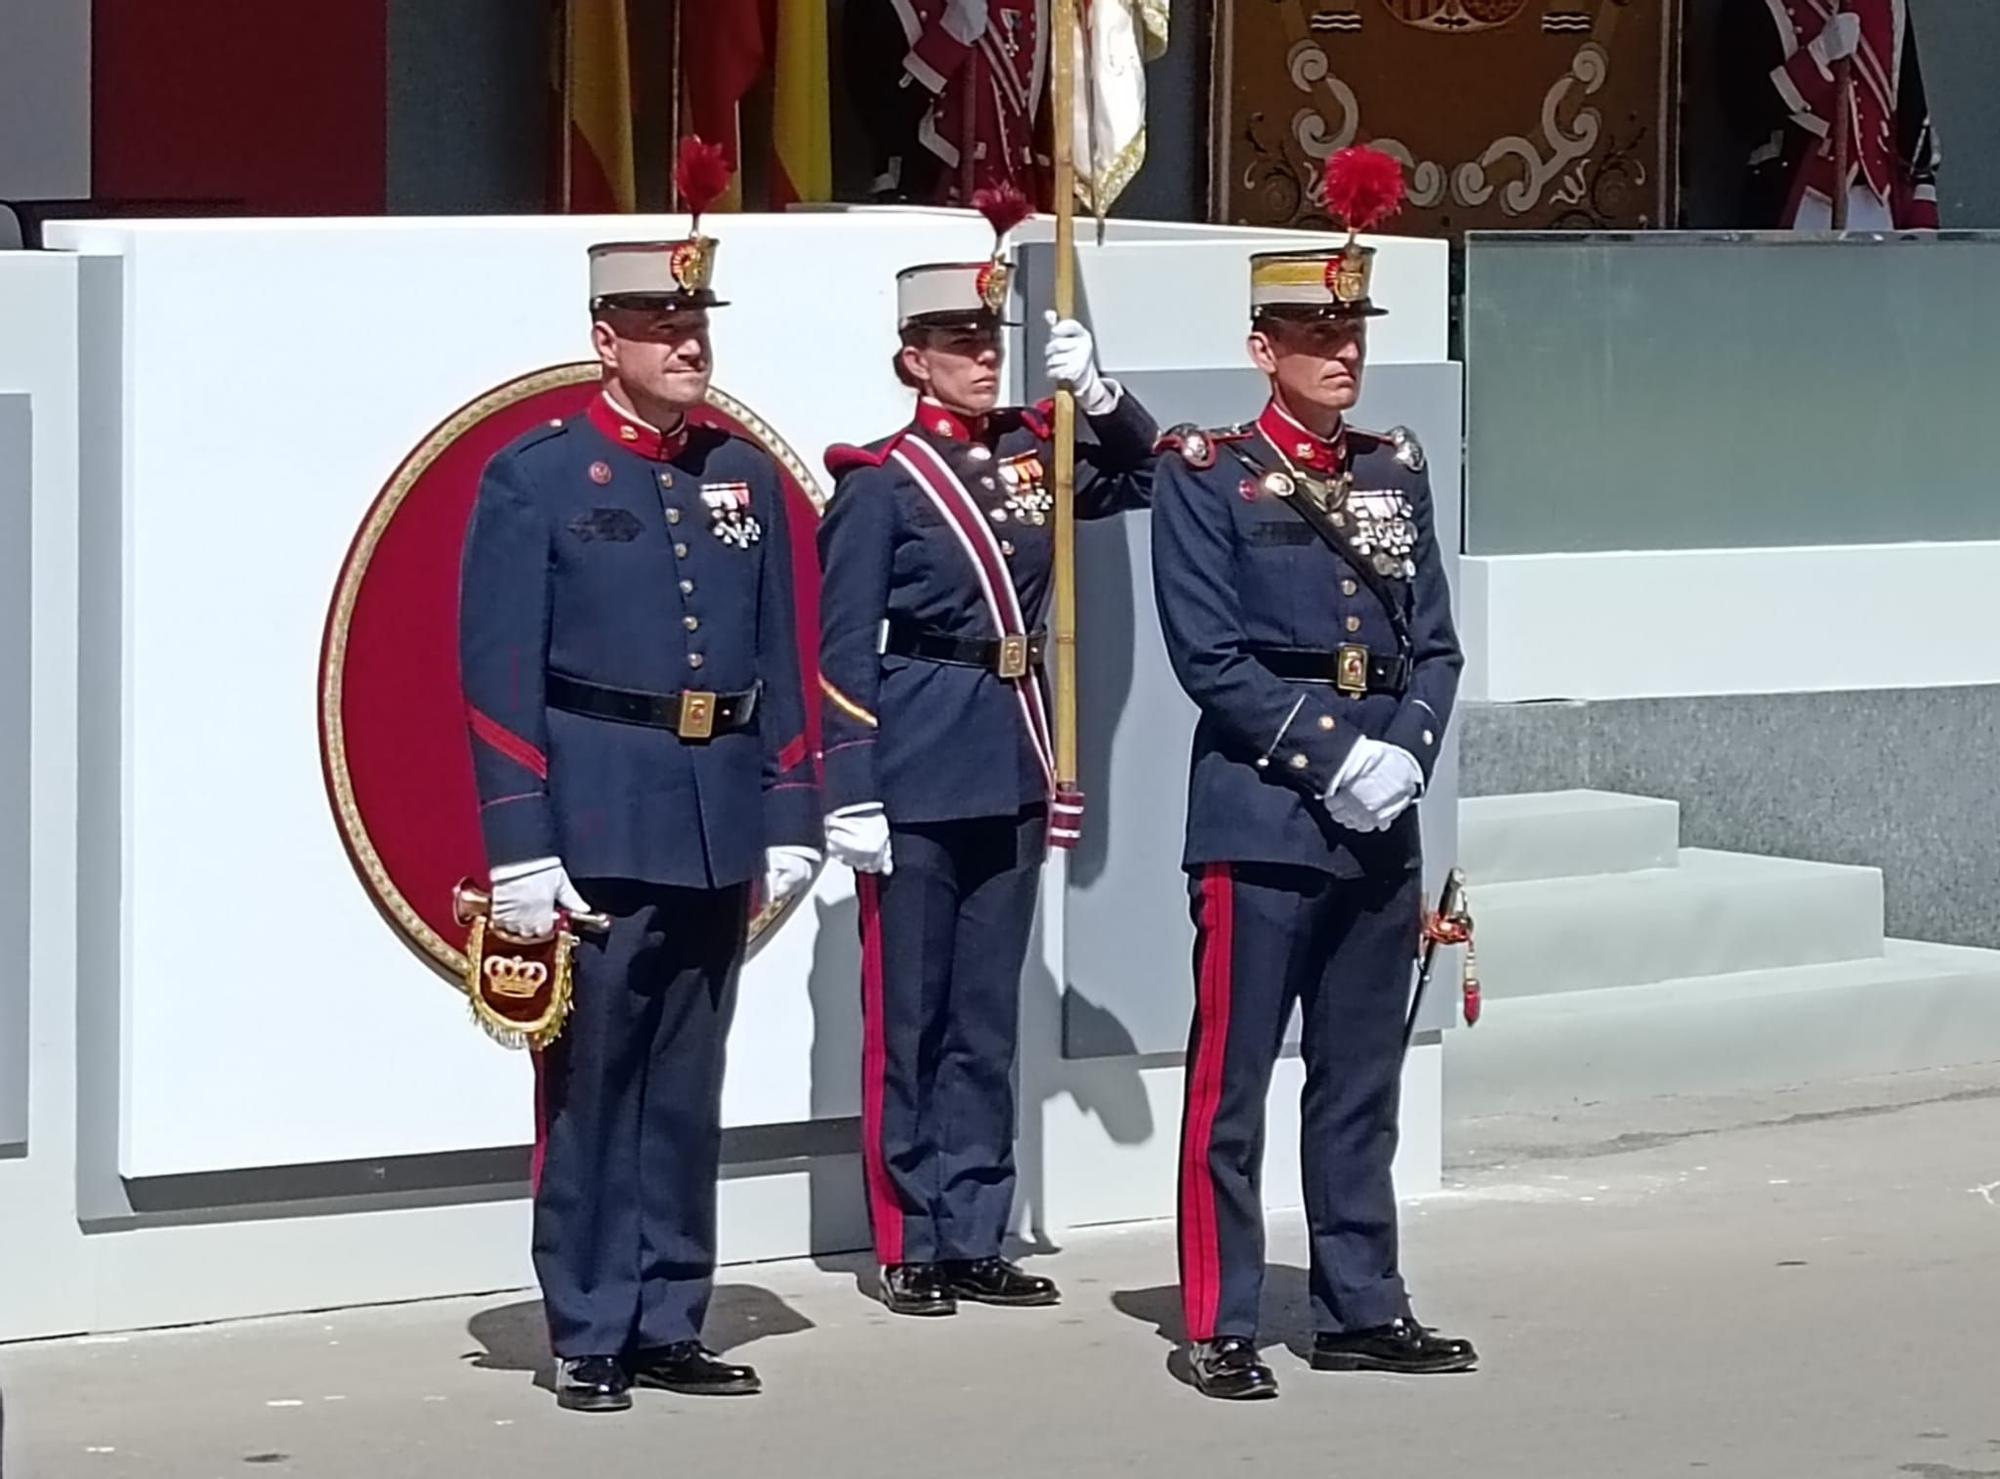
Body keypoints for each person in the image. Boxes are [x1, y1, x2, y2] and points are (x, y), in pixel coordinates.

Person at [458, 174, 819, 1411]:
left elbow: (779, 652)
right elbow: (497, 670)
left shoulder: (744, 475)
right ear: (605, 341)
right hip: (600, 810)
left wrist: (788, 810)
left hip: (716, 810)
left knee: (686, 1078)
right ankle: (589, 1324)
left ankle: (672, 1313)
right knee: (594, 1080)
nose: (688, 345)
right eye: (663, 328)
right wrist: (519, 845)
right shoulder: (540, 475)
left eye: (698, 325)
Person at [1148, 214, 1475, 1399]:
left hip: (1381, 812)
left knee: (1358, 1078)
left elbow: (1433, 644)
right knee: (1229, 1082)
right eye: (1313, 332)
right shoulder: (1207, 472)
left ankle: (1359, 1304)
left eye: (1349, 330)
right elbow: (1208, 654)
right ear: (1260, 346)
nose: (1340, 352)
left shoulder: (1393, 467)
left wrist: (1406, 757)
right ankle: (1218, 1319)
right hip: (1263, 810)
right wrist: (1332, 756)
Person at [816, 215, 1156, 1318]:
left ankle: (974, 1226)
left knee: (984, 1017)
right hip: (915, 759)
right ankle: (907, 1237)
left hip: (1010, 750)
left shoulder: (1036, 451)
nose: (981, 354)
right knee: (908, 1019)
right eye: (956, 339)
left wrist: (1099, 399)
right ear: (912, 355)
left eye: (989, 335)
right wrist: (850, 787)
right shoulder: (880, 481)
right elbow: (834, 651)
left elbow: (1145, 477)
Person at [1720, 0, 1940, 230]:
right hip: (1798, 200)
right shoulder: (1759, 6)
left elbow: (1911, 109)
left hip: (1878, 203)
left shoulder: (1890, 5)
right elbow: (1743, 115)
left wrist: (1921, 211)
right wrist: (1818, 56)